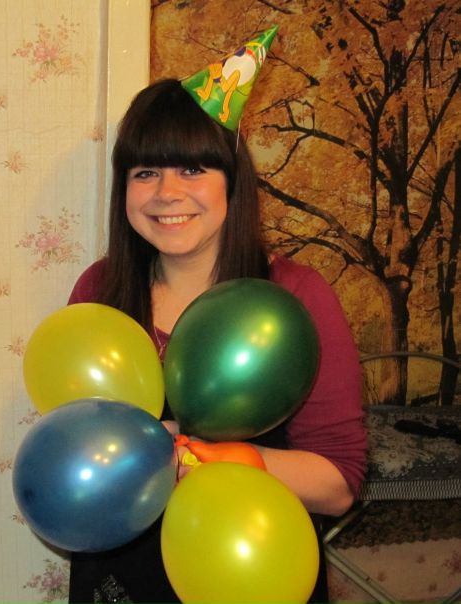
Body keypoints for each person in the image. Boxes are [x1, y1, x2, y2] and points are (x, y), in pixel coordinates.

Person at [67, 76, 366, 604]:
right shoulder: (98, 292)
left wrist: (232, 459)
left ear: (232, 181)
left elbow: (339, 485)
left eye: (192, 169)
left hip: (249, 573)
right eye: (145, 172)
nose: (167, 193)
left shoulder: (295, 297)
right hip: (119, 580)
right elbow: (75, 452)